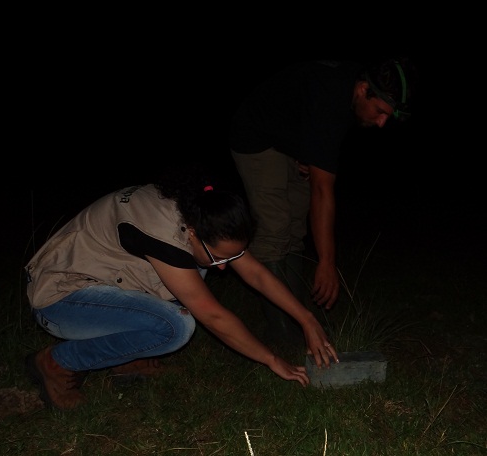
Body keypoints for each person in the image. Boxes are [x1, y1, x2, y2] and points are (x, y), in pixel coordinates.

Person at [24, 163, 338, 410]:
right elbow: (212, 315)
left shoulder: (199, 210)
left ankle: (129, 360)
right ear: (192, 232)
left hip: (106, 280)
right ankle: (58, 363)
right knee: (175, 326)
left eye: (231, 258)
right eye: (220, 257)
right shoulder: (163, 233)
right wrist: (272, 360)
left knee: (197, 270)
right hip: (60, 298)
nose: (224, 268)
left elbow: (255, 274)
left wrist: (306, 319)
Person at [229, 56, 418, 345]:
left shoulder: (351, 93)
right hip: (256, 135)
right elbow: (322, 190)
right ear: (363, 89)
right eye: (380, 111)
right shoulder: (331, 98)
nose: (382, 123)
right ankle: (281, 332)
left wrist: (309, 151)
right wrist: (327, 262)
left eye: (387, 116)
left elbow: (314, 131)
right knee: (274, 227)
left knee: (295, 228)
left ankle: (298, 318)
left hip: (292, 142)